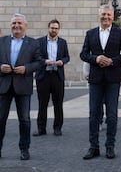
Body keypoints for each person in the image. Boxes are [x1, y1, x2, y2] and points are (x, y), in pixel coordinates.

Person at [80, 5, 121, 160]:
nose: (106, 17)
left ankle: (110, 146)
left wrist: (112, 61)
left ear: (113, 16)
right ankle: (93, 147)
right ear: (99, 16)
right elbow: (83, 54)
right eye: (103, 14)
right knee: (93, 114)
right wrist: (95, 58)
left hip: (112, 79)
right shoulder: (90, 34)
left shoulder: (119, 33)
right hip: (95, 79)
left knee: (112, 115)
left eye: (108, 15)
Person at [0, 13, 43, 160]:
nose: (16, 26)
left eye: (19, 23)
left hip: (23, 86)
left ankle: (24, 149)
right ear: (10, 26)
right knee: (0, 119)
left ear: (25, 25)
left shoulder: (33, 43)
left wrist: (26, 68)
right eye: (13, 23)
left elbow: (39, 62)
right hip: (4, 86)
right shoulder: (2, 41)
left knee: (24, 119)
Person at [34, 19, 70, 137]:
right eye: (52, 28)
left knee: (58, 104)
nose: (54, 30)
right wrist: (45, 61)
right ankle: (41, 128)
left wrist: (61, 62)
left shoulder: (63, 43)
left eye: (56, 28)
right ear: (48, 28)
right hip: (43, 76)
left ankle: (57, 128)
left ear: (58, 30)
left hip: (57, 76)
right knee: (42, 104)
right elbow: (36, 57)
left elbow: (67, 57)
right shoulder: (39, 42)